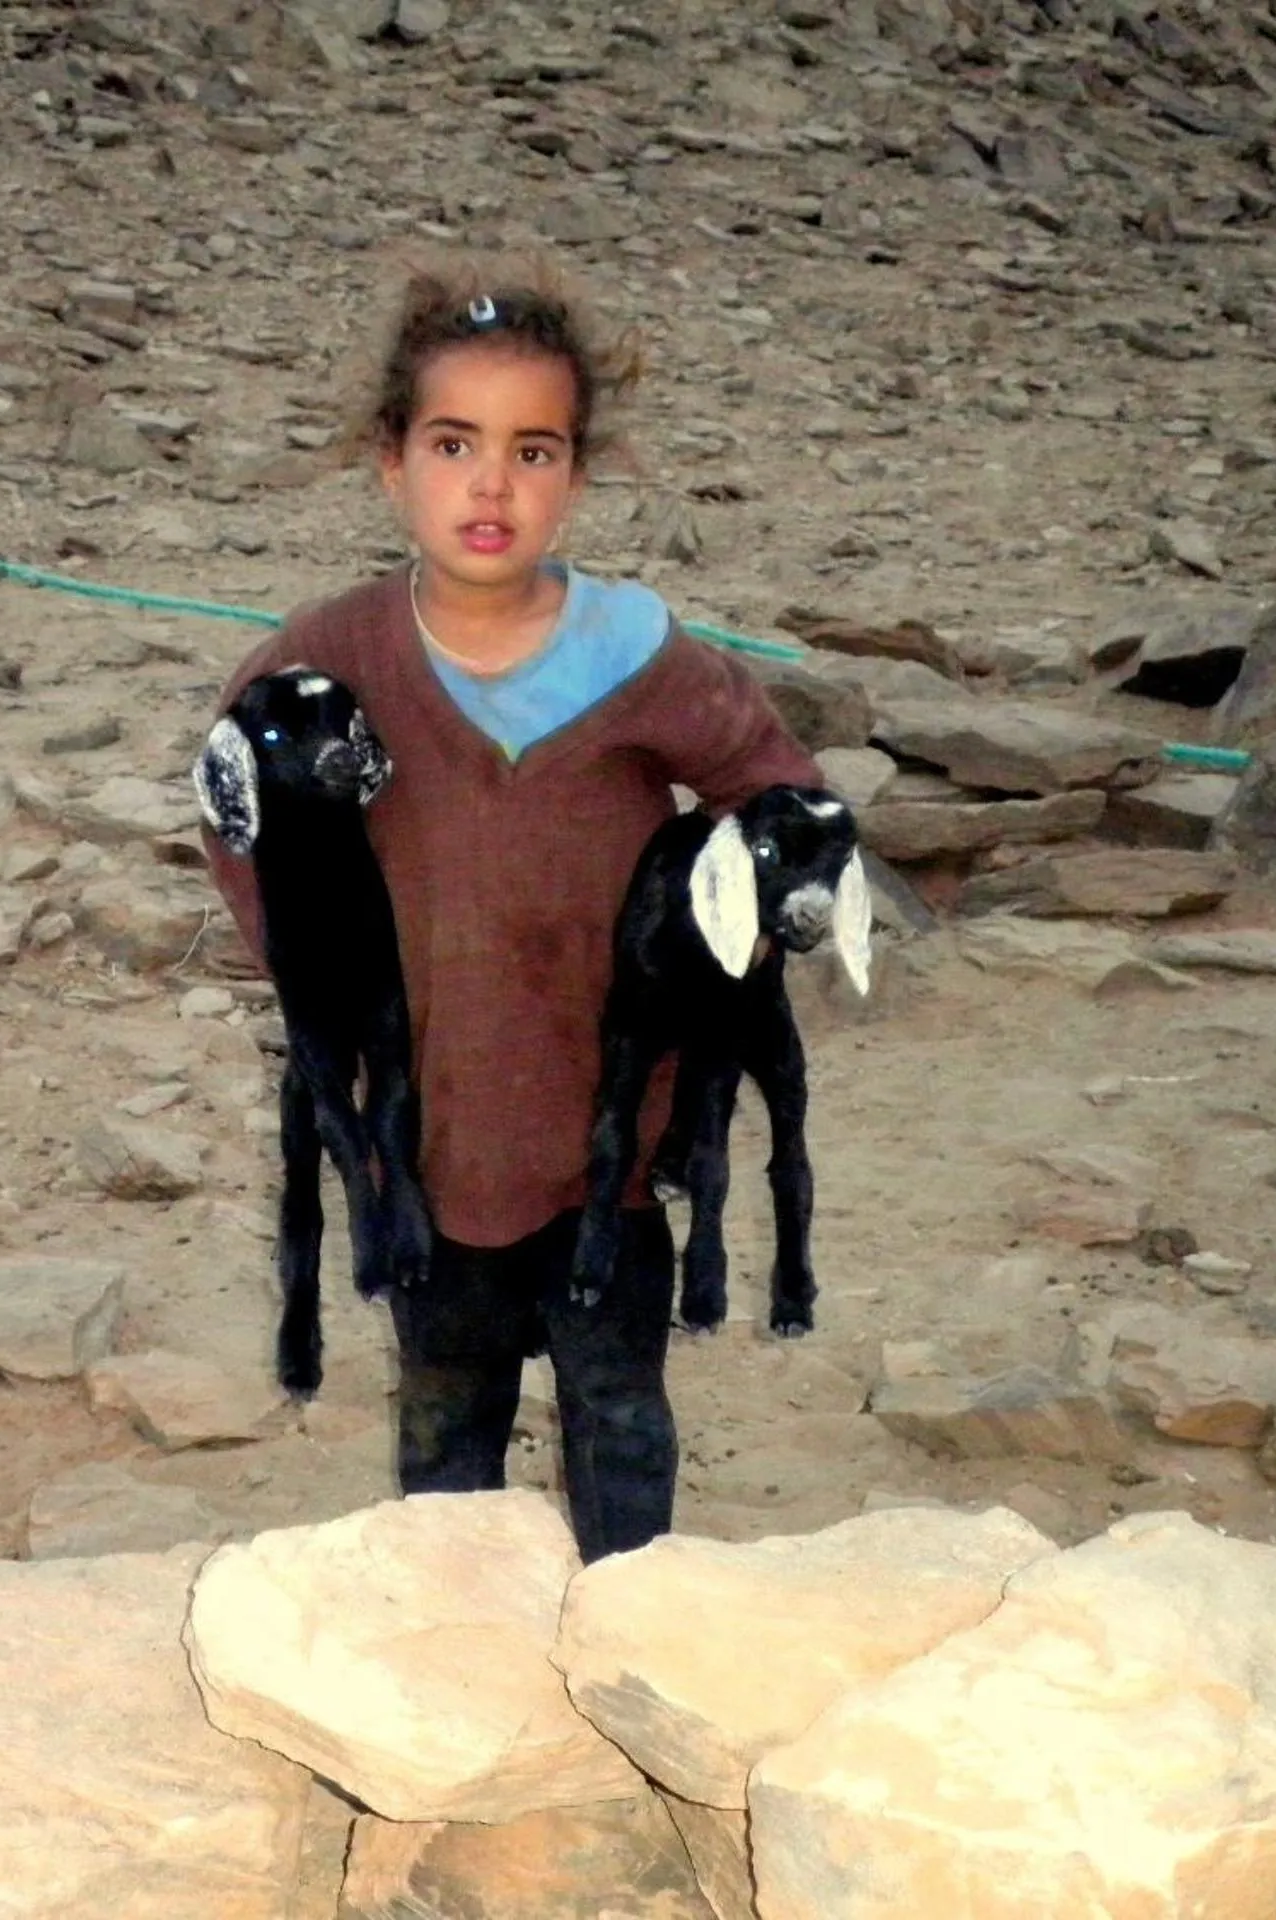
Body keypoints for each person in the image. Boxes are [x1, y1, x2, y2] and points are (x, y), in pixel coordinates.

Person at [201, 255, 824, 1562]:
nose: (492, 485)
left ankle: (631, 1624)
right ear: (392, 462)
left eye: (533, 450)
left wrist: (724, 935)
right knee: (448, 1418)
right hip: (424, 1134)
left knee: (616, 1406)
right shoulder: (331, 656)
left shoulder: (638, 655)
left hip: (611, 1138)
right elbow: (235, 803)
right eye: (454, 443)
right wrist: (322, 984)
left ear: (577, 476)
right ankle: (458, 1656)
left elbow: (774, 787)